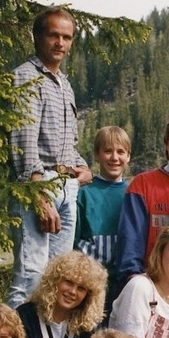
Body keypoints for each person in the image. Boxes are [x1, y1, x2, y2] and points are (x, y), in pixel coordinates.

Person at [6, 6, 92, 307]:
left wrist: (82, 167)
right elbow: (24, 141)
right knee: (30, 275)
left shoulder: (63, 84)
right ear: (38, 36)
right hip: (38, 186)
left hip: (66, 188)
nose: (60, 43)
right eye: (53, 35)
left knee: (58, 280)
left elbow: (67, 143)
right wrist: (38, 196)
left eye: (66, 37)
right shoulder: (25, 77)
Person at [115, 114, 169, 293]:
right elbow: (130, 238)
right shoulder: (142, 184)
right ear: (166, 144)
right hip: (150, 282)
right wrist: (133, 278)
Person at [74, 124, 131, 308]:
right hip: (89, 280)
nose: (114, 158)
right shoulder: (84, 193)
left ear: (128, 156)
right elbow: (73, 240)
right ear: (97, 155)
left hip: (124, 281)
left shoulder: (134, 193)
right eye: (107, 151)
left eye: (120, 152)